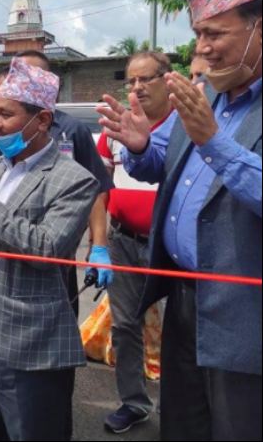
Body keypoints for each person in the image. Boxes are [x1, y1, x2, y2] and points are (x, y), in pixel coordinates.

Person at [98, 0, 261, 439]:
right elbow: (168, 170)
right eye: (197, 35)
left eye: (215, 34)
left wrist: (213, 141)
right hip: (185, 299)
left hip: (244, 313)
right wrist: (140, 146)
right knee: (183, 423)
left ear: (259, 29)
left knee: (237, 426)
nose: (203, 48)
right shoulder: (207, 95)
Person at [0, 57, 99, 440]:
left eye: (6, 114)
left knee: (31, 430)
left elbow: (46, 248)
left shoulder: (73, 180)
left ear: (41, 121)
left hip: (27, 336)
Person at [0, 50, 114, 320]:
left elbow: (95, 189)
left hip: (52, 243)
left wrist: (98, 246)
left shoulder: (72, 128)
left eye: (28, 74)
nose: (19, 80)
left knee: (55, 314)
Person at [95, 51, 174, 433]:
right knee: (125, 326)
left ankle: (183, 406)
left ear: (168, 79)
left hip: (171, 247)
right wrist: (98, 244)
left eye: (148, 78)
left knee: (181, 329)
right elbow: (99, 188)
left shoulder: (189, 125)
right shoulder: (115, 129)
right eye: (132, 81)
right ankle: (134, 402)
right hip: (123, 242)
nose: (139, 87)